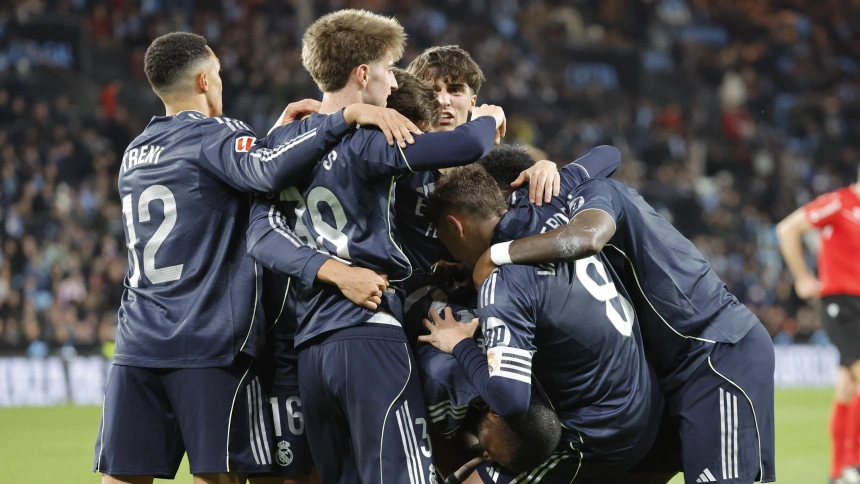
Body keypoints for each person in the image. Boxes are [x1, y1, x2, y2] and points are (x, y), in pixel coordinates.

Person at [94, 31, 419, 484]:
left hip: (137, 342)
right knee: (220, 476)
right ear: (205, 80)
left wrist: (273, 137)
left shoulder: (135, 153)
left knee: (122, 477)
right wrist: (343, 117)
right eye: (220, 75)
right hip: (207, 341)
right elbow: (262, 169)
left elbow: (219, 179)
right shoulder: (216, 134)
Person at [245, 10, 506, 483]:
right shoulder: (370, 140)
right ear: (362, 74)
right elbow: (464, 145)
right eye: (388, 70)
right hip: (369, 336)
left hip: (311, 350)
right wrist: (489, 117)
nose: (392, 85)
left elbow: (260, 234)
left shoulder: (280, 145)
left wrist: (326, 269)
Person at [472, 146, 776, 484]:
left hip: (713, 351)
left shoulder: (593, 194)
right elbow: (607, 154)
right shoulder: (550, 226)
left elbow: (589, 235)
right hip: (659, 379)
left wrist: (496, 255)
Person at [420, 164, 661, 482]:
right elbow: (607, 155)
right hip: (642, 393)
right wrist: (549, 168)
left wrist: (459, 343)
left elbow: (511, 399)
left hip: (602, 434)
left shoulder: (503, 286)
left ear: (454, 226)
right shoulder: (545, 200)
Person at [777, 168, 860, 484]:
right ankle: (853, 465)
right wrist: (802, 278)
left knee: (847, 385)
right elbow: (788, 229)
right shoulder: (838, 203)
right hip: (841, 303)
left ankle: (839, 472)